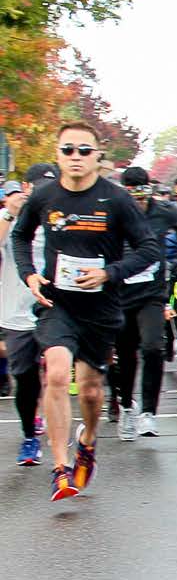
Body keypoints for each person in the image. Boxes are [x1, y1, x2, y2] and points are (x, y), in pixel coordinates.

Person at [10, 122, 163, 501]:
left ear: (97, 156)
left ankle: (89, 440)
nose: (75, 157)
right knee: (58, 375)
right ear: (58, 154)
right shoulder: (44, 197)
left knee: (92, 391)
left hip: (100, 307)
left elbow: (148, 249)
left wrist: (108, 273)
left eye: (83, 150)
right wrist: (29, 275)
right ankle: (61, 468)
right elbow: (19, 235)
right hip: (57, 303)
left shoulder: (116, 199)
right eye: (67, 150)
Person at [112, 166, 177, 443]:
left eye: (143, 196)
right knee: (126, 354)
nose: (138, 203)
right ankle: (126, 408)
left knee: (153, 347)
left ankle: (148, 411)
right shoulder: (114, 211)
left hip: (152, 294)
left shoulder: (164, 211)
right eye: (133, 197)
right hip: (120, 293)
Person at [1, 180, 44, 466]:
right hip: (16, 314)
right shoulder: (9, 222)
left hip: (54, 309)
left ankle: (61, 435)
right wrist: (8, 214)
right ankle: (30, 436)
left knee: (58, 374)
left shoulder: (58, 220)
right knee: (25, 378)